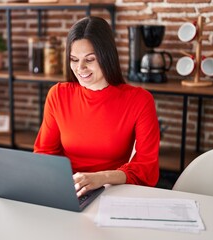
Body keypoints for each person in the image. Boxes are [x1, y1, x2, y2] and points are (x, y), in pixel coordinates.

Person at [34, 16, 160, 197]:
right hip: (69, 190)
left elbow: (146, 168)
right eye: (74, 59)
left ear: (106, 56)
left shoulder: (140, 100)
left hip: (113, 191)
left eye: (90, 59)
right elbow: (44, 152)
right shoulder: (58, 94)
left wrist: (100, 178)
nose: (80, 68)